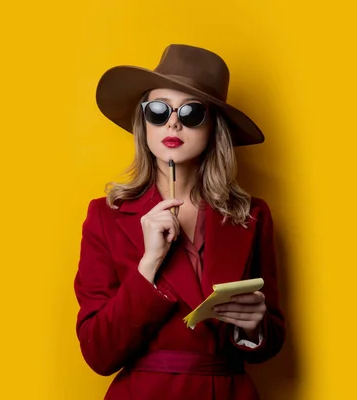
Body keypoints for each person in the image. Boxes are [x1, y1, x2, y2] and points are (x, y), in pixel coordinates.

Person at [74, 44, 286, 400]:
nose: (172, 122)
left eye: (191, 113)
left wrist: (252, 328)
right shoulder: (105, 216)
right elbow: (98, 352)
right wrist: (149, 264)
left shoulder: (252, 215)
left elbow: (273, 338)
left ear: (214, 127)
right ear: (143, 123)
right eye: (158, 111)